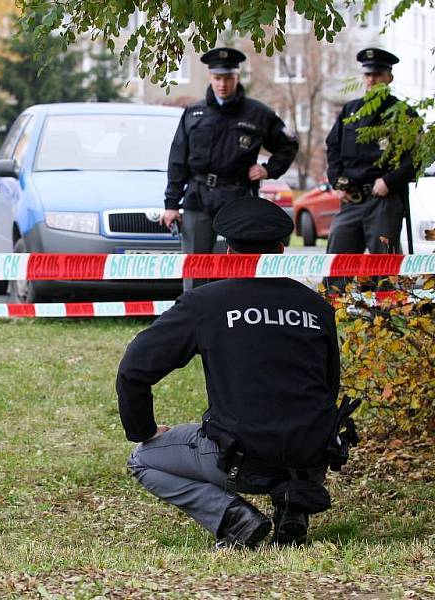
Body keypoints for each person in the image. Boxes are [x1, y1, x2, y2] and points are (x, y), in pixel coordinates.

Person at [117, 197, 342, 549]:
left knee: (143, 459)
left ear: (228, 250)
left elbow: (134, 368)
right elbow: (329, 389)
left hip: (239, 458)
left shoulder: (206, 304)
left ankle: (234, 517)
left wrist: (143, 430)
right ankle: (293, 505)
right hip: (309, 456)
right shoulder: (317, 307)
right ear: (282, 249)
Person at [160, 47, 299, 290]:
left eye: (228, 78)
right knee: (195, 266)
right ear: (210, 78)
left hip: (238, 197)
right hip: (198, 196)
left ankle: (237, 316)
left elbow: (288, 144)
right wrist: (171, 204)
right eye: (217, 78)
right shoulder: (194, 113)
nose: (222, 84)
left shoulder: (258, 113)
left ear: (237, 77)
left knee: (240, 264)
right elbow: (177, 160)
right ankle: (196, 318)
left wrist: (268, 170)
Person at [325, 48, 417, 292]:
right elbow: (333, 148)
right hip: (352, 198)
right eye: (367, 75)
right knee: (337, 260)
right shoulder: (351, 110)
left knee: (383, 268)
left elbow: (416, 158)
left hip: (383, 199)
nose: (371, 80)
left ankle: (385, 321)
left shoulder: (403, 114)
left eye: (377, 75)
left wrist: (389, 180)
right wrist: (337, 181)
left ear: (389, 78)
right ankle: (335, 316)